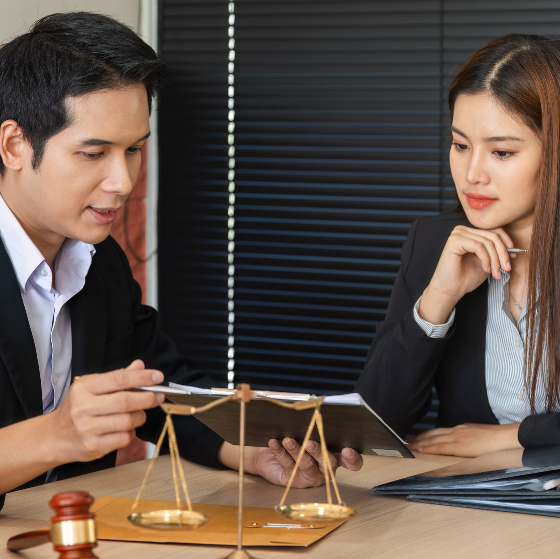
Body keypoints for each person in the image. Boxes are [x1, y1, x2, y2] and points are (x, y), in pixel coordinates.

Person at [0, 12, 362, 510]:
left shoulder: (99, 260)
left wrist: (249, 451)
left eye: (133, 150)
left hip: (74, 529)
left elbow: (160, 388)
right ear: (14, 145)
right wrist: (54, 436)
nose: (123, 182)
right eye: (94, 153)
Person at [355, 33, 560, 458]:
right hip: (467, 494)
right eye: (461, 145)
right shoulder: (434, 243)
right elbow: (374, 424)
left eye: (501, 152)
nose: (471, 175)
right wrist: (438, 299)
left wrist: (513, 435)